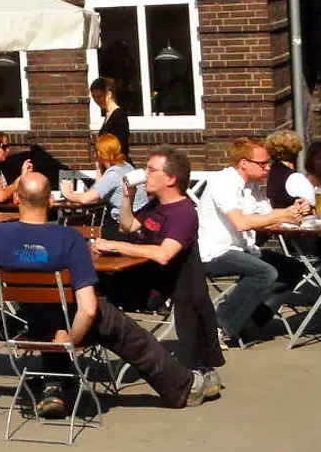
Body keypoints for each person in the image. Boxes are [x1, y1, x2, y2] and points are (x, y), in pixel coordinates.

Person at [0, 172, 220, 417]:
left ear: (15, 200)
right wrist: (71, 342)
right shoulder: (69, 239)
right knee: (122, 330)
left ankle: (54, 386)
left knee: (46, 312)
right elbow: (88, 310)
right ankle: (184, 386)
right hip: (63, 324)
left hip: (22, 322)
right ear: (51, 201)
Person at [91, 146, 224, 371]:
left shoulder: (183, 213)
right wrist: (127, 198)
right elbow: (128, 225)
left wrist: (114, 245)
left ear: (170, 179)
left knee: (84, 292)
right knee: (79, 285)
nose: (145, 174)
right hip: (134, 276)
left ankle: (99, 342)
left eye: (151, 170)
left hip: (149, 290)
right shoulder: (157, 204)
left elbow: (164, 254)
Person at [195, 137, 310, 344]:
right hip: (214, 251)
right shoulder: (224, 183)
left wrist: (298, 212)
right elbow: (241, 223)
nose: (268, 168)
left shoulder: (252, 186)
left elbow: (267, 216)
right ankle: (218, 327)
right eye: (263, 164)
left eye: (268, 163)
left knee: (293, 268)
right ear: (244, 163)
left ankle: (249, 320)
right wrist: (284, 215)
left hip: (243, 249)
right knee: (265, 272)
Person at [61, 133, 148, 233]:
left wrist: (68, 194)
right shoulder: (125, 166)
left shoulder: (113, 174)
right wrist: (99, 168)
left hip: (125, 225)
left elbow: (86, 199)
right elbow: (99, 188)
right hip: (139, 219)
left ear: (99, 153)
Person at [264, 129, 316, 209]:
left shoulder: (273, 171)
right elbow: (315, 202)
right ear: (296, 152)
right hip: (295, 220)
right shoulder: (295, 178)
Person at [89, 77, 131, 160]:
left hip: (117, 165)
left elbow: (122, 146)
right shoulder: (108, 114)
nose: (96, 100)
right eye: (94, 97)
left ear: (108, 94)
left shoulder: (119, 115)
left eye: (99, 96)